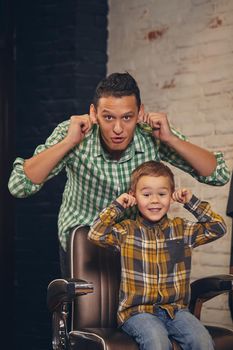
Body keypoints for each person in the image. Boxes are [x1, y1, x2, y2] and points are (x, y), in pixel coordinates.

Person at [8, 72, 230, 276]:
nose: (117, 129)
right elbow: (19, 186)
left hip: (137, 246)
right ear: (93, 113)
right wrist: (69, 142)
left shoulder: (150, 135)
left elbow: (219, 175)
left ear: (140, 113)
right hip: (83, 243)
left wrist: (171, 139)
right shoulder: (74, 133)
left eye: (127, 117)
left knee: (136, 317)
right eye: (108, 117)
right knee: (88, 317)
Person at [88, 160, 226, 350]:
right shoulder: (127, 230)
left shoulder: (182, 229)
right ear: (133, 196)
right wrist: (118, 206)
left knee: (202, 341)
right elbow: (95, 233)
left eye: (162, 194)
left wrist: (191, 202)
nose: (154, 200)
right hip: (137, 313)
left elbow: (218, 228)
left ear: (171, 196)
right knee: (158, 341)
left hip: (176, 311)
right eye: (146, 194)